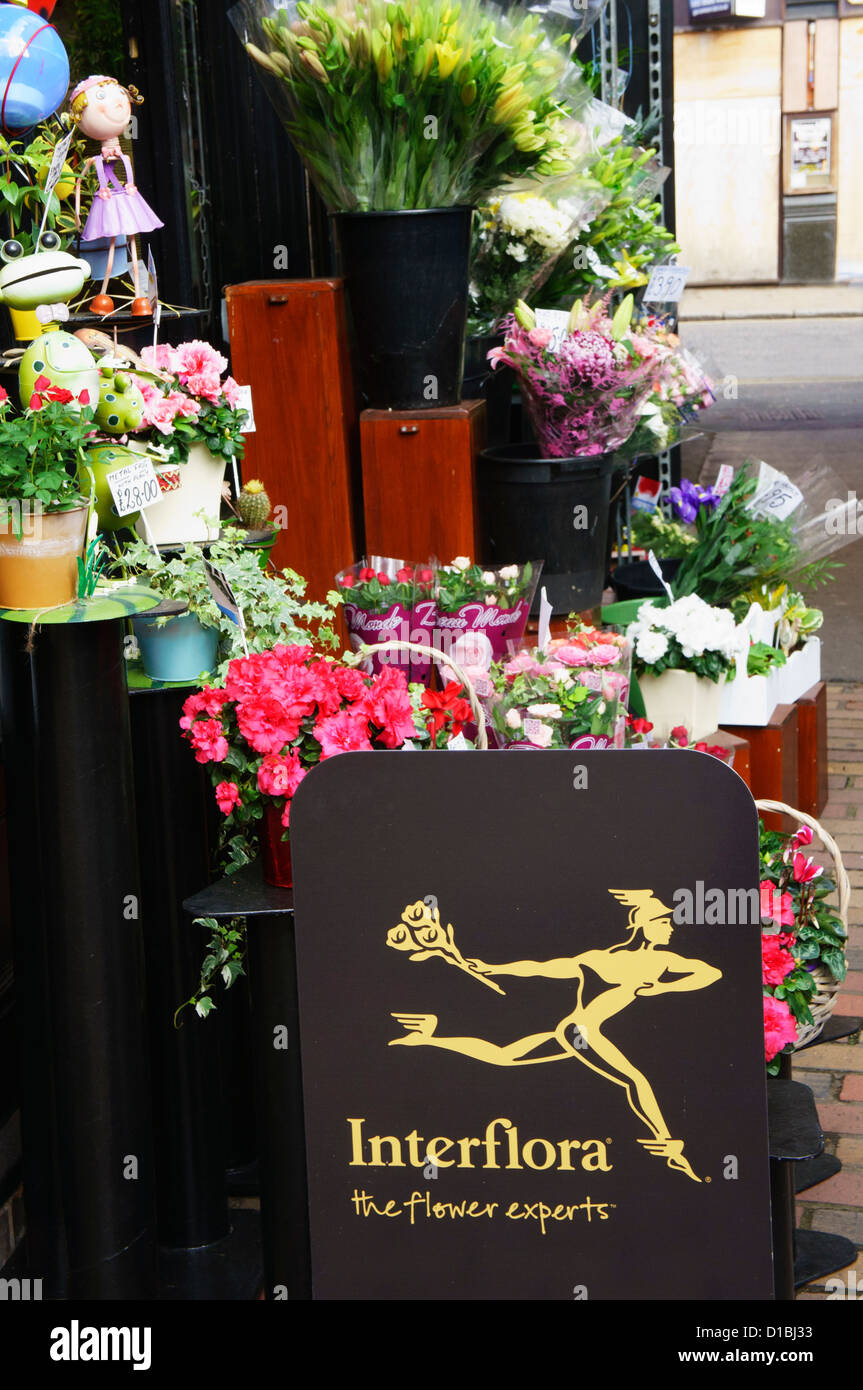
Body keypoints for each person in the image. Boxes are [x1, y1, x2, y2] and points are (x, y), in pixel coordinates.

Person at [389, 889, 722, 1182]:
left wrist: (663, 988)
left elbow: (711, 972)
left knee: (504, 1055)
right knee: (635, 1081)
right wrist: (494, 969)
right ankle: (667, 1144)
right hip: (581, 1031)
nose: (670, 927)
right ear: (643, 924)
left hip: (573, 1030)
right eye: (663, 921)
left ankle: (431, 1038)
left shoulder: (627, 960)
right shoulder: (640, 960)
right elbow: (540, 966)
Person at [70, 75, 163, 317]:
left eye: (121, 94)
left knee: (130, 243)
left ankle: (139, 298)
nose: (118, 102)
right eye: (101, 97)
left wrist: (130, 186)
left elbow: (82, 183)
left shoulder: (124, 157)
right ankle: (104, 296)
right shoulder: (94, 160)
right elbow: (78, 183)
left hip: (126, 199)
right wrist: (79, 217)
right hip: (108, 202)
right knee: (113, 247)